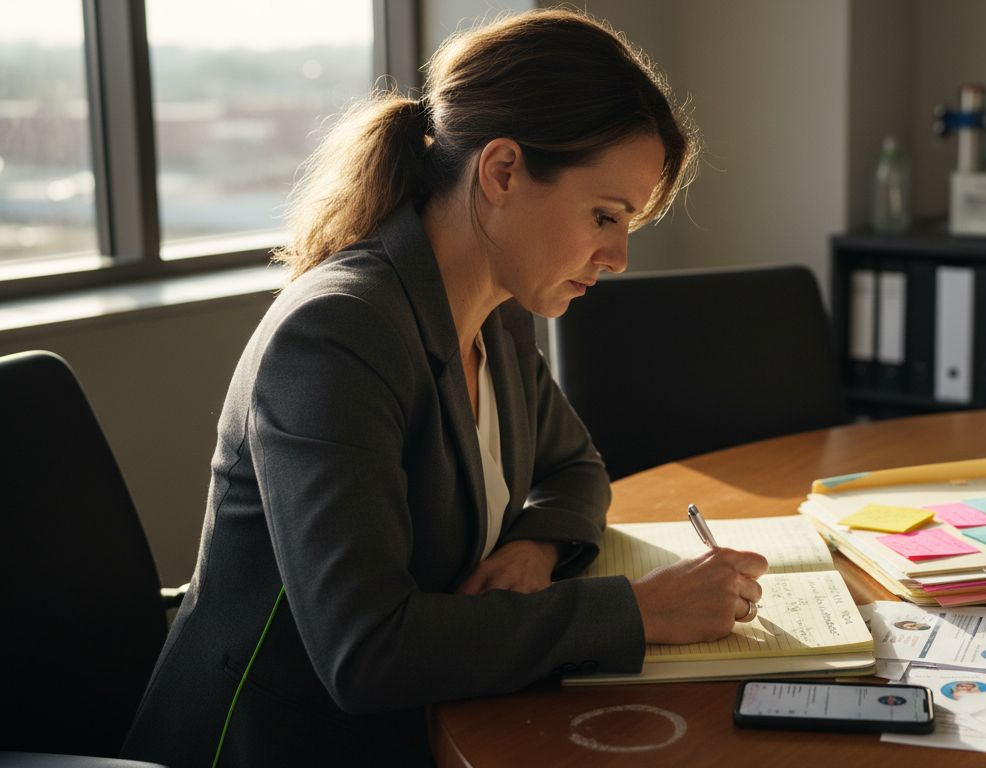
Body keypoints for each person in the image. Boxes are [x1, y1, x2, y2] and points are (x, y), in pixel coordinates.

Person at [121, 10, 767, 767]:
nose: (618, 256)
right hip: (276, 744)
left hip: (430, 718)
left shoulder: (498, 311)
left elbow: (575, 471)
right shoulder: (336, 337)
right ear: (501, 172)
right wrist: (633, 611)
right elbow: (367, 652)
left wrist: (536, 543)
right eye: (604, 216)